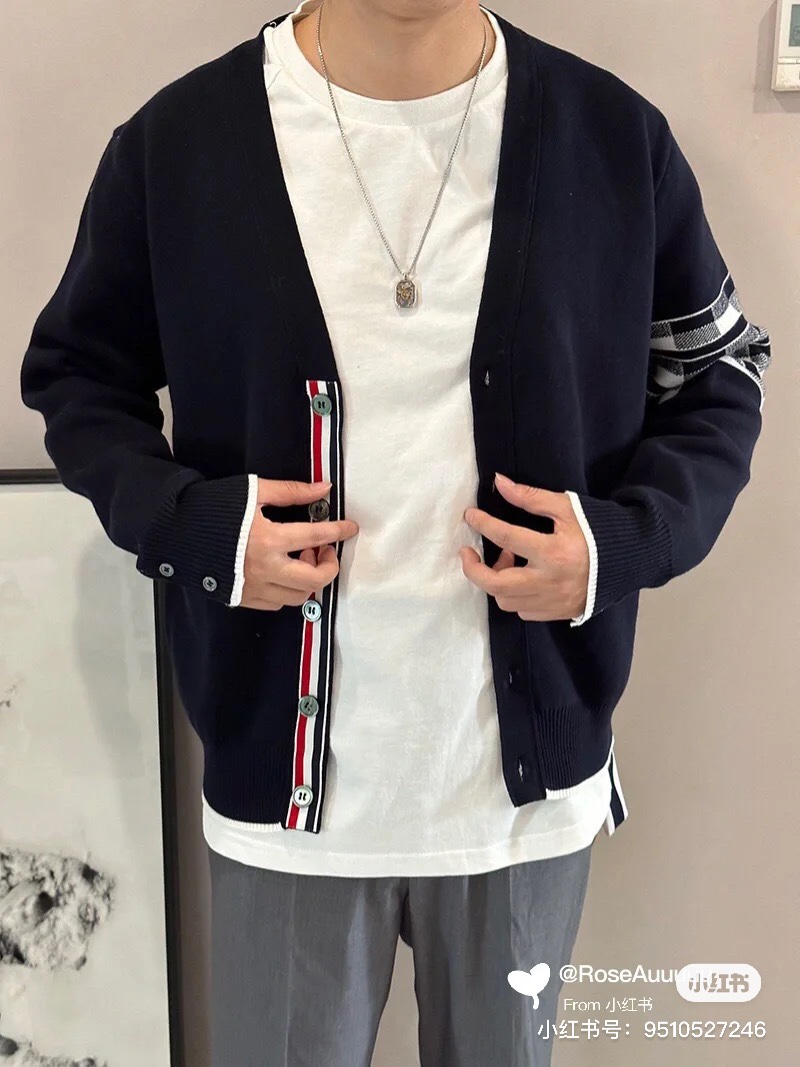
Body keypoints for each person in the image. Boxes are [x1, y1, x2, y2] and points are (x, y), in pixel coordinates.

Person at [19, 2, 771, 1064]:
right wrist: (195, 527)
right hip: (285, 807)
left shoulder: (609, 136)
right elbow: (78, 378)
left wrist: (625, 542)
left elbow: (718, 366)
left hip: (522, 805)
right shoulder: (178, 144)